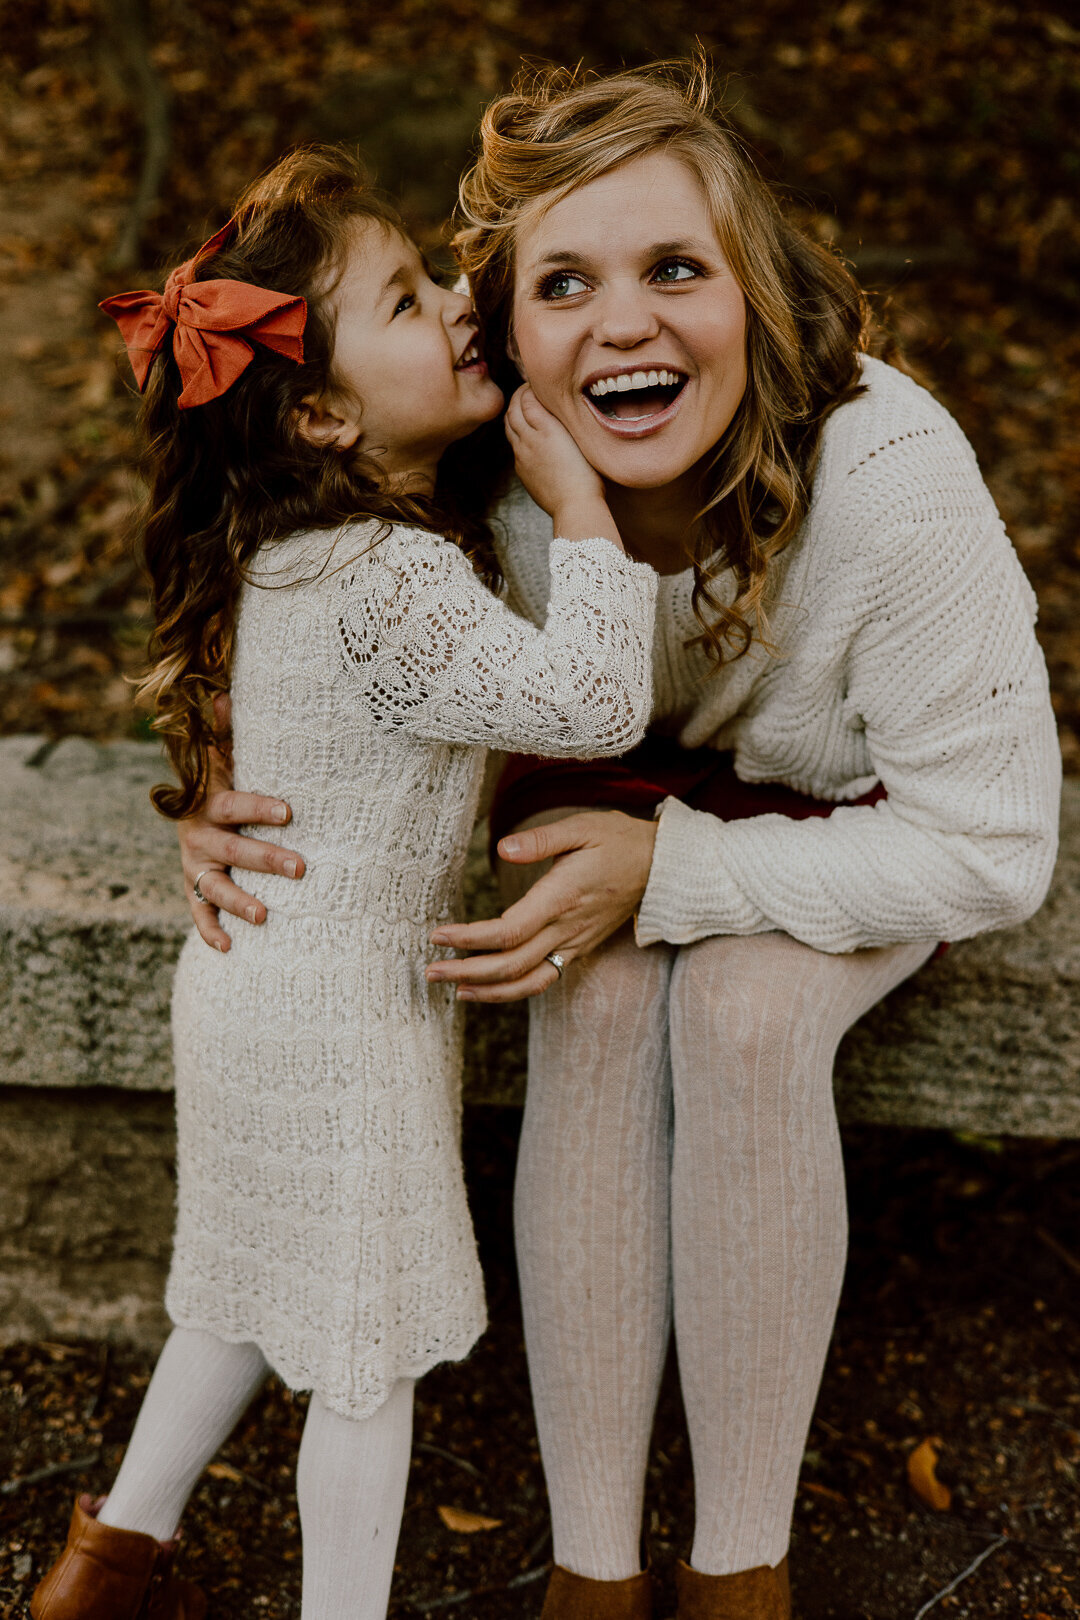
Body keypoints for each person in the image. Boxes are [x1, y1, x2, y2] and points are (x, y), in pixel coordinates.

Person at [174, 64, 1061, 1620]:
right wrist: (215, 789)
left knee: (738, 1010)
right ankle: (591, 1575)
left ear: (759, 295)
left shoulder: (892, 481)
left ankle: (740, 1573)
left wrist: (682, 877)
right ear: (497, 329)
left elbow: (990, 847)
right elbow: (278, 578)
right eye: (563, 284)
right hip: (596, 804)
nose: (622, 325)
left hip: (851, 826)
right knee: (586, 998)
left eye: (676, 271)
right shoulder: (470, 452)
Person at [31, 147, 657, 1620]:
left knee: (251, 1289)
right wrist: (581, 507)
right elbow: (595, 705)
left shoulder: (292, 553)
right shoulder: (392, 577)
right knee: (362, 1351)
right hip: (341, 1020)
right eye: (405, 298)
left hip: (255, 988)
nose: (455, 302)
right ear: (318, 411)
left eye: (437, 276)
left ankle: (105, 1562)